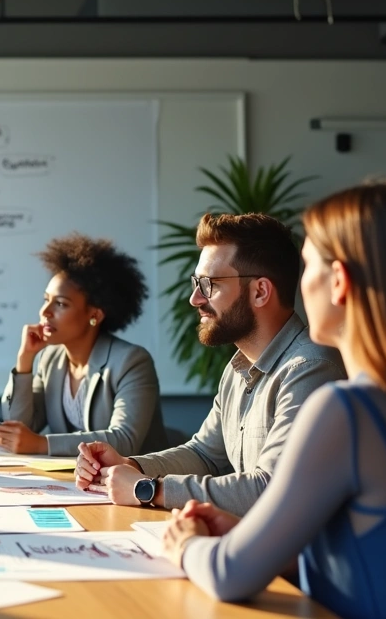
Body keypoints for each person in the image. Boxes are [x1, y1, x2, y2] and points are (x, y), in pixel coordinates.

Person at [162, 181, 386, 615]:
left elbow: (228, 575)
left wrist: (186, 544)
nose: (297, 284)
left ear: (339, 282)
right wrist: (250, 534)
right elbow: (383, 560)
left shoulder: (349, 411)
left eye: (307, 264)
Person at [75, 213, 344, 515]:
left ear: (260, 291)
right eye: (196, 283)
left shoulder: (310, 369)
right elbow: (205, 454)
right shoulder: (238, 368)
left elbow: (271, 488)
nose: (194, 299)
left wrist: (147, 488)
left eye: (209, 284)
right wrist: (131, 465)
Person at [0, 233, 167, 456]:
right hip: (77, 483)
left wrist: (41, 444)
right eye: (46, 300)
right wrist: (25, 361)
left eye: (61, 304)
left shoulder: (131, 362)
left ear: (94, 315)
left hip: (139, 483)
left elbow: (124, 440)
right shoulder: (50, 359)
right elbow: (21, 427)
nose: (45, 312)